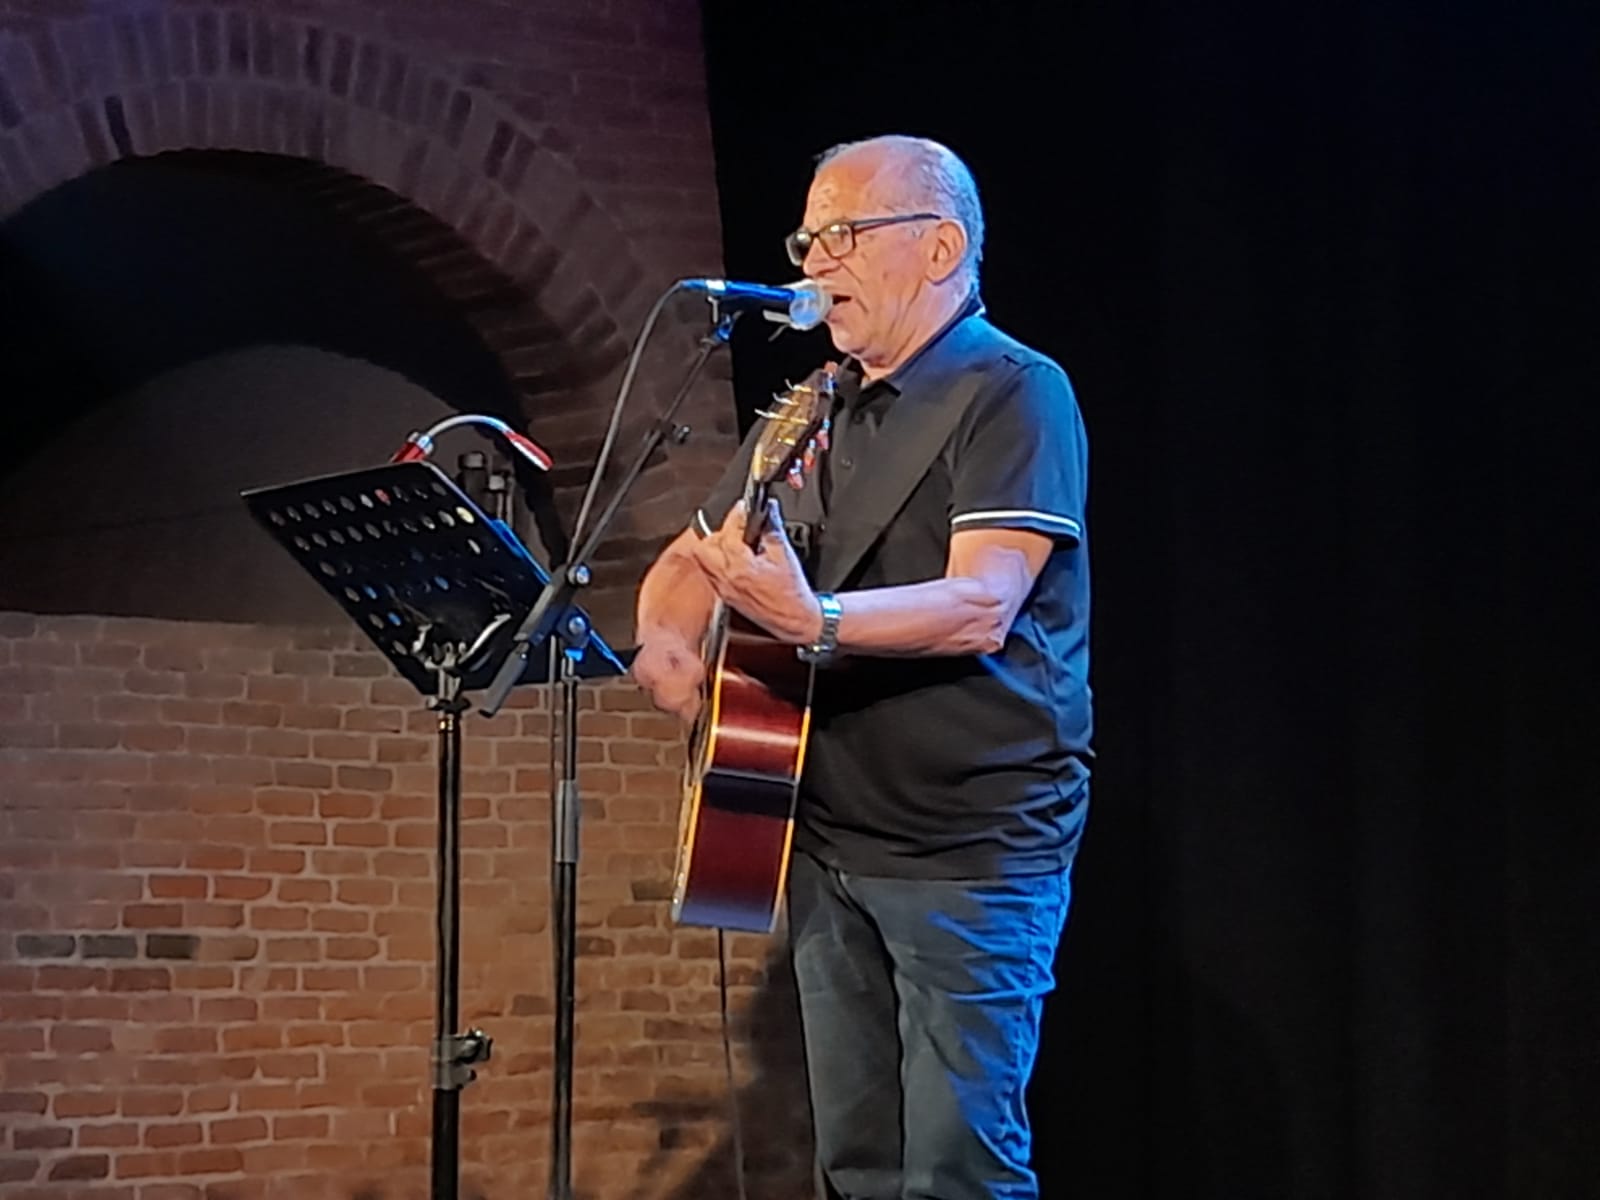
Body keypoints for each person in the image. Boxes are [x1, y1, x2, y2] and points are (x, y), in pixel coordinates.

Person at [632, 134, 1091, 1200]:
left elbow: (982, 603)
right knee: (860, 1161)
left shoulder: (1014, 392)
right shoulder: (810, 407)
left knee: (955, 1166)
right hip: (822, 832)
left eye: (842, 234)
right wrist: (665, 640)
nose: (811, 264)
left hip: (970, 841)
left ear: (939, 248)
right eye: (805, 238)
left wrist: (813, 617)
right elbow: (691, 563)